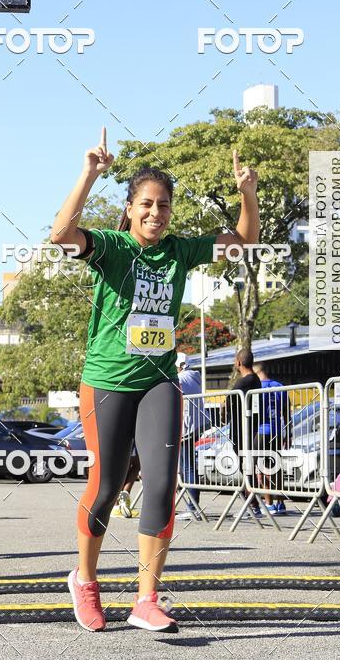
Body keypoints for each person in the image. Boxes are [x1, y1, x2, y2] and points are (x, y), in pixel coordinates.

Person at [51, 127, 259, 632]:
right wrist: (89, 173)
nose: (155, 213)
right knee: (105, 487)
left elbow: (245, 241)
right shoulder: (111, 248)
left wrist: (247, 194)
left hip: (159, 380)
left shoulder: (180, 252)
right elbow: (61, 235)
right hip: (107, 381)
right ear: (130, 206)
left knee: (163, 483)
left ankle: (146, 597)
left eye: (163, 205)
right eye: (146, 204)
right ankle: (85, 579)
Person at [253, 362, 290, 515]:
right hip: (276, 430)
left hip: (261, 431)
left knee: (262, 468)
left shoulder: (256, 387)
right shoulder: (279, 386)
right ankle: (280, 502)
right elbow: (287, 411)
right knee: (277, 468)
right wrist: (288, 432)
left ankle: (269, 504)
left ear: (256, 372)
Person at [228, 349, 262, 518]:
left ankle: (253, 506)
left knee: (246, 468)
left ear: (239, 362)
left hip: (243, 431)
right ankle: (252, 505)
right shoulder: (255, 380)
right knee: (246, 468)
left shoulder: (243, 383)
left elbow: (228, 403)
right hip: (248, 429)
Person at [176, 352, 206, 521]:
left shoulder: (182, 379)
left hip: (186, 427)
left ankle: (193, 506)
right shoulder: (194, 377)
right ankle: (192, 505)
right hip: (193, 425)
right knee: (189, 466)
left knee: (187, 467)